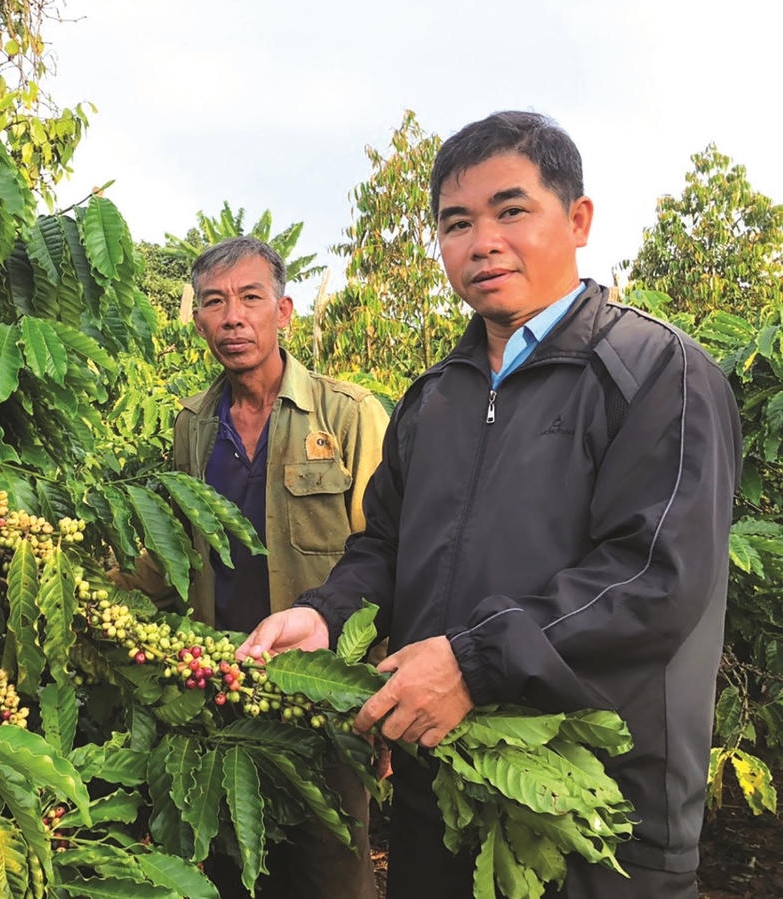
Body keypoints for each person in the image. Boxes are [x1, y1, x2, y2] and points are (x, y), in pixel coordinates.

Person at [238, 111, 742, 898]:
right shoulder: (435, 397)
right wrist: (327, 614)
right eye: (456, 222)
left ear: (577, 220)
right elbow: (384, 548)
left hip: (592, 812)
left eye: (512, 212)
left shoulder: (657, 373)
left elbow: (652, 578)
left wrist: (473, 662)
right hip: (442, 787)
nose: (482, 243)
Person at [136, 236, 388, 897]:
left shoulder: (349, 415)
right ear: (197, 319)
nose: (232, 317)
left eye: (250, 298)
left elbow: (390, 554)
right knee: (231, 870)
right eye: (215, 302)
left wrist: (382, 699)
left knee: (332, 868)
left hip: (321, 701)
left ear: (284, 310)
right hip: (221, 694)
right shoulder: (192, 424)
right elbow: (172, 551)